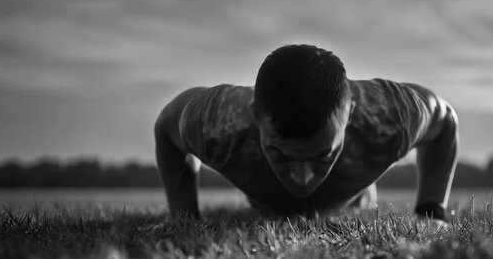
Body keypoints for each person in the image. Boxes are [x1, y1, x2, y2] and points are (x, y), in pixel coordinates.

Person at [154, 44, 458, 222]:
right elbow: (166, 129)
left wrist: (431, 209)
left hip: (355, 204)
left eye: (322, 155)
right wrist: (184, 217)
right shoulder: (219, 123)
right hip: (264, 209)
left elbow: (444, 121)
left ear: (351, 114)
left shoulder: (388, 116)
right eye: (280, 155)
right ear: (254, 115)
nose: (302, 178)